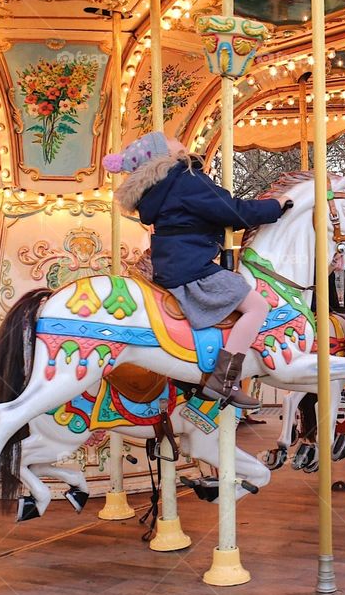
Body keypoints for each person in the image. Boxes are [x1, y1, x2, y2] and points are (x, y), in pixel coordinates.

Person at [111, 131, 290, 409]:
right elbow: (232, 211)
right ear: (164, 156)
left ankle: (195, 375)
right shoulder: (185, 179)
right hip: (192, 268)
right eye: (168, 140)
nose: (177, 140)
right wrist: (274, 207)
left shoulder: (160, 190)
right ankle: (223, 382)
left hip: (171, 267)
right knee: (256, 307)